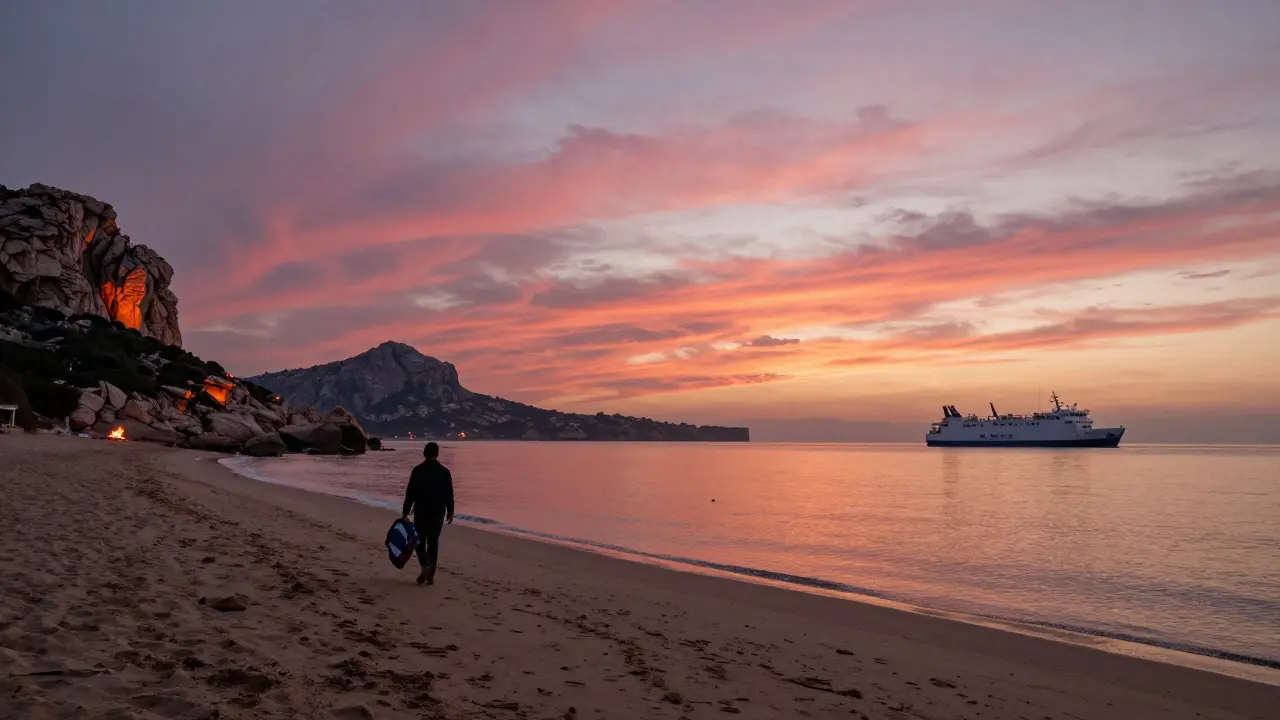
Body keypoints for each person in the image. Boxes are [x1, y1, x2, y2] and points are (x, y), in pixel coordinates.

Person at [401, 442, 454, 585]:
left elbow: (410, 493)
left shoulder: (418, 470)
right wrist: (450, 512)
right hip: (438, 513)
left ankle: (425, 566)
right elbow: (449, 494)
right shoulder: (444, 472)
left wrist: (405, 511)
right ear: (437, 454)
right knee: (433, 543)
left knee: (419, 542)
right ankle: (431, 574)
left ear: (424, 453)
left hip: (422, 512)